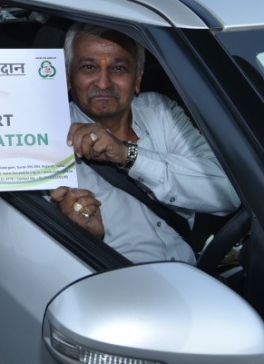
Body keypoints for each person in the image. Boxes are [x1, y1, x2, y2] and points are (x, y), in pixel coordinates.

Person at [49, 23, 239, 264]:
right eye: (89, 67)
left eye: (119, 68)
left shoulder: (160, 112)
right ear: (68, 77)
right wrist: (76, 235)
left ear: (138, 78)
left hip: (191, 272)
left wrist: (128, 156)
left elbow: (227, 194)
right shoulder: (46, 139)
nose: (104, 83)